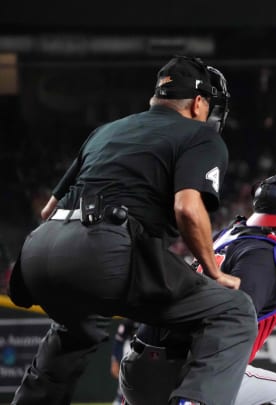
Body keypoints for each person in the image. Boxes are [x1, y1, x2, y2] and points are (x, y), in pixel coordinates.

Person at [8, 55, 258, 405]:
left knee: (76, 328)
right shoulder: (200, 135)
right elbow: (187, 207)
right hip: (104, 249)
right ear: (199, 103)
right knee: (232, 309)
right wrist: (214, 271)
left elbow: (48, 208)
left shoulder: (107, 130)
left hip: (39, 250)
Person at [119, 171, 276, 405]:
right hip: (183, 374)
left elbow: (254, 258)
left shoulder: (228, 236)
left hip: (140, 367)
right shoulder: (272, 255)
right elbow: (225, 329)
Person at [110, 319, 138, 405]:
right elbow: (118, 341)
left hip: (147, 349)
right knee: (126, 378)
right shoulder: (129, 320)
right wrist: (115, 361)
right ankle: (119, 399)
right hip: (132, 349)